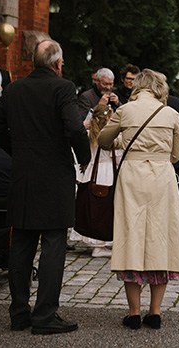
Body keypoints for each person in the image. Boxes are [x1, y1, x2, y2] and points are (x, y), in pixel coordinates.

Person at [0, 39, 91, 335]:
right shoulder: (62, 87)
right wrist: (83, 158)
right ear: (57, 63)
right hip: (55, 175)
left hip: (22, 175)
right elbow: (74, 127)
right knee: (54, 244)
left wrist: (18, 151)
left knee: (21, 244)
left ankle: (19, 313)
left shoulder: (14, 88)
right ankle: (45, 314)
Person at [98, 69, 179, 331]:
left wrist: (123, 143)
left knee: (132, 237)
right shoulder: (170, 113)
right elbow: (176, 154)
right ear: (159, 87)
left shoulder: (125, 110)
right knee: (161, 239)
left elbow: (104, 140)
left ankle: (134, 312)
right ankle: (156, 312)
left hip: (132, 179)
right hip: (162, 177)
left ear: (137, 86)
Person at [74, 104, 121, 257]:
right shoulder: (108, 136)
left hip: (90, 173)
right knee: (105, 208)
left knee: (92, 208)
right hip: (106, 173)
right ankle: (101, 244)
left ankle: (95, 241)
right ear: (108, 118)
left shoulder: (87, 134)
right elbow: (117, 156)